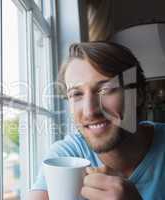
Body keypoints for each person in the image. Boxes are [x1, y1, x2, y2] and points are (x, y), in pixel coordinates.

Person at [27, 41, 165, 200]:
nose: (90, 111)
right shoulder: (66, 156)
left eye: (106, 90)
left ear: (139, 95)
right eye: (77, 94)